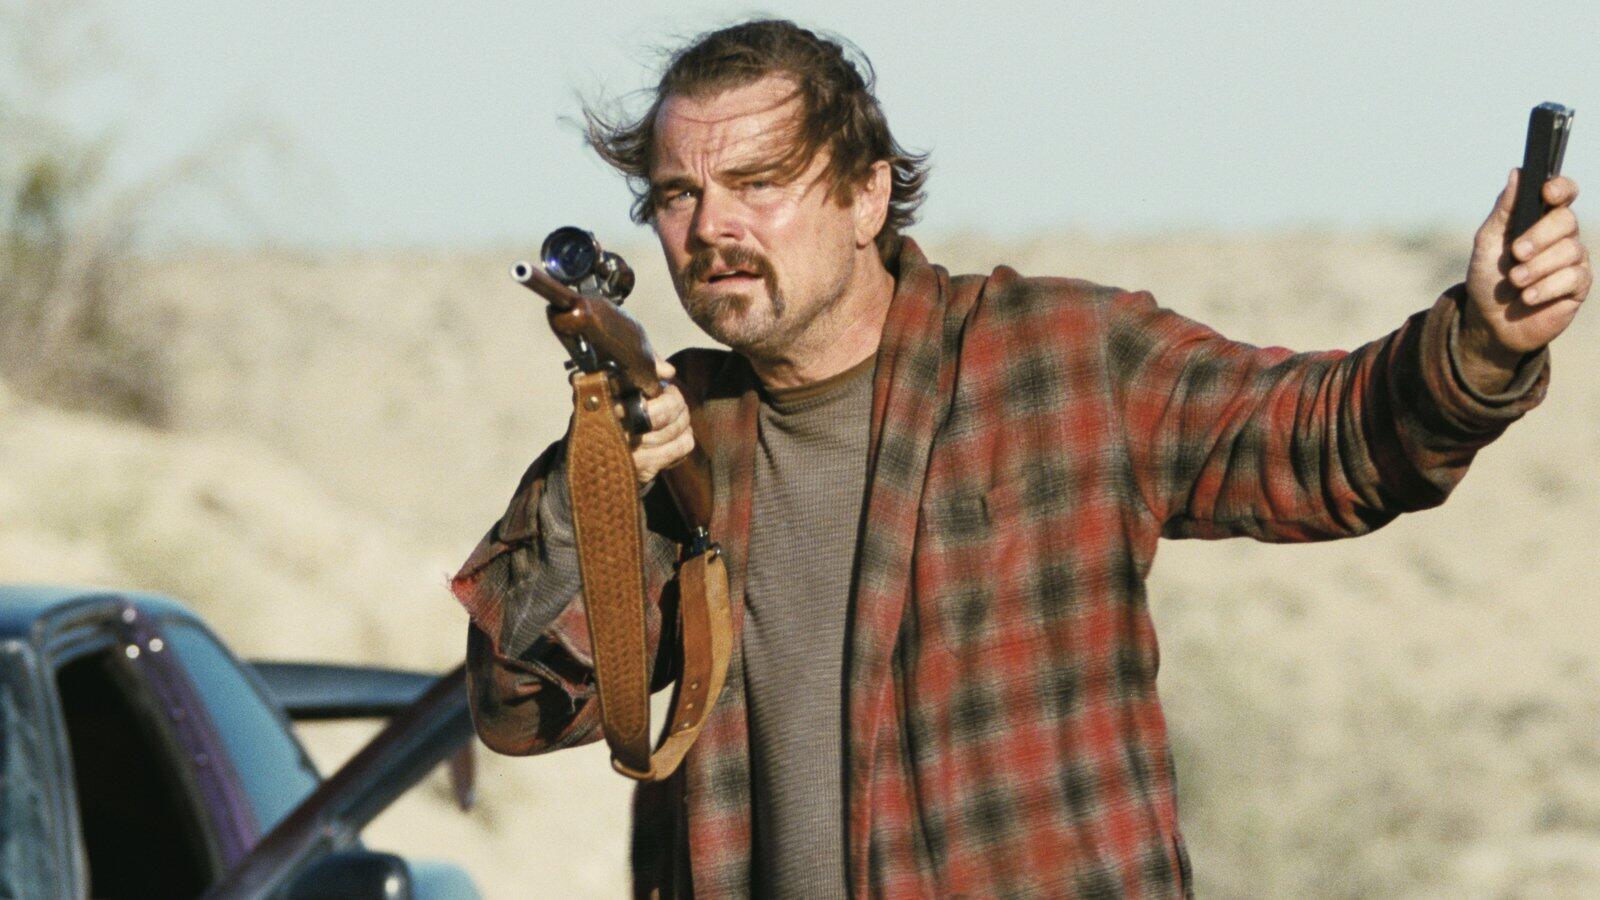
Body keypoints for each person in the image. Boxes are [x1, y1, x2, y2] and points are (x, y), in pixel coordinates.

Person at [449, 19, 1589, 898]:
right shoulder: (675, 433)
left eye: (759, 183)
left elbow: (1330, 440)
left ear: (865, 193)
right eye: (679, 194)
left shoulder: (1058, 357)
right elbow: (520, 707)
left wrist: (1481, 344)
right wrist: (592, 483)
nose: (712, 229)